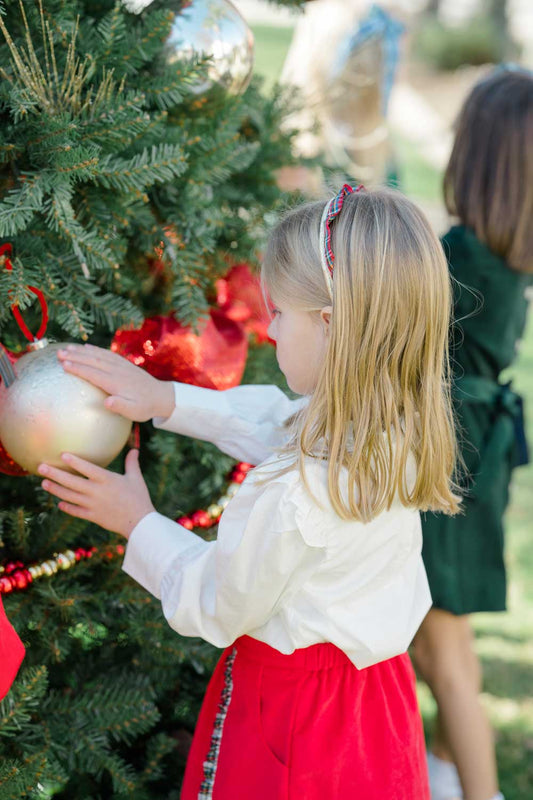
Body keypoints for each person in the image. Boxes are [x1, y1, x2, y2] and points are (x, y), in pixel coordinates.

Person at [38, 185, 459, 799]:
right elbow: (272, 421)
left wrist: (138, 522)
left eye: (279, 313)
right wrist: (165, 399)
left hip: (293, 725)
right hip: (373, 709)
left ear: (331, 325)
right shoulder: (384, 431)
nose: (267, 329)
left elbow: (219, 601)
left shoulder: (295, 493)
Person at [412, 67, 533, 800]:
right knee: (441, 641)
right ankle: (443, 774)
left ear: (472, 158)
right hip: (470, 459)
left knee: (443, 649)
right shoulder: (507, 260)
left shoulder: (456, 258)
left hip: (440, 464)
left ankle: (477, 792)